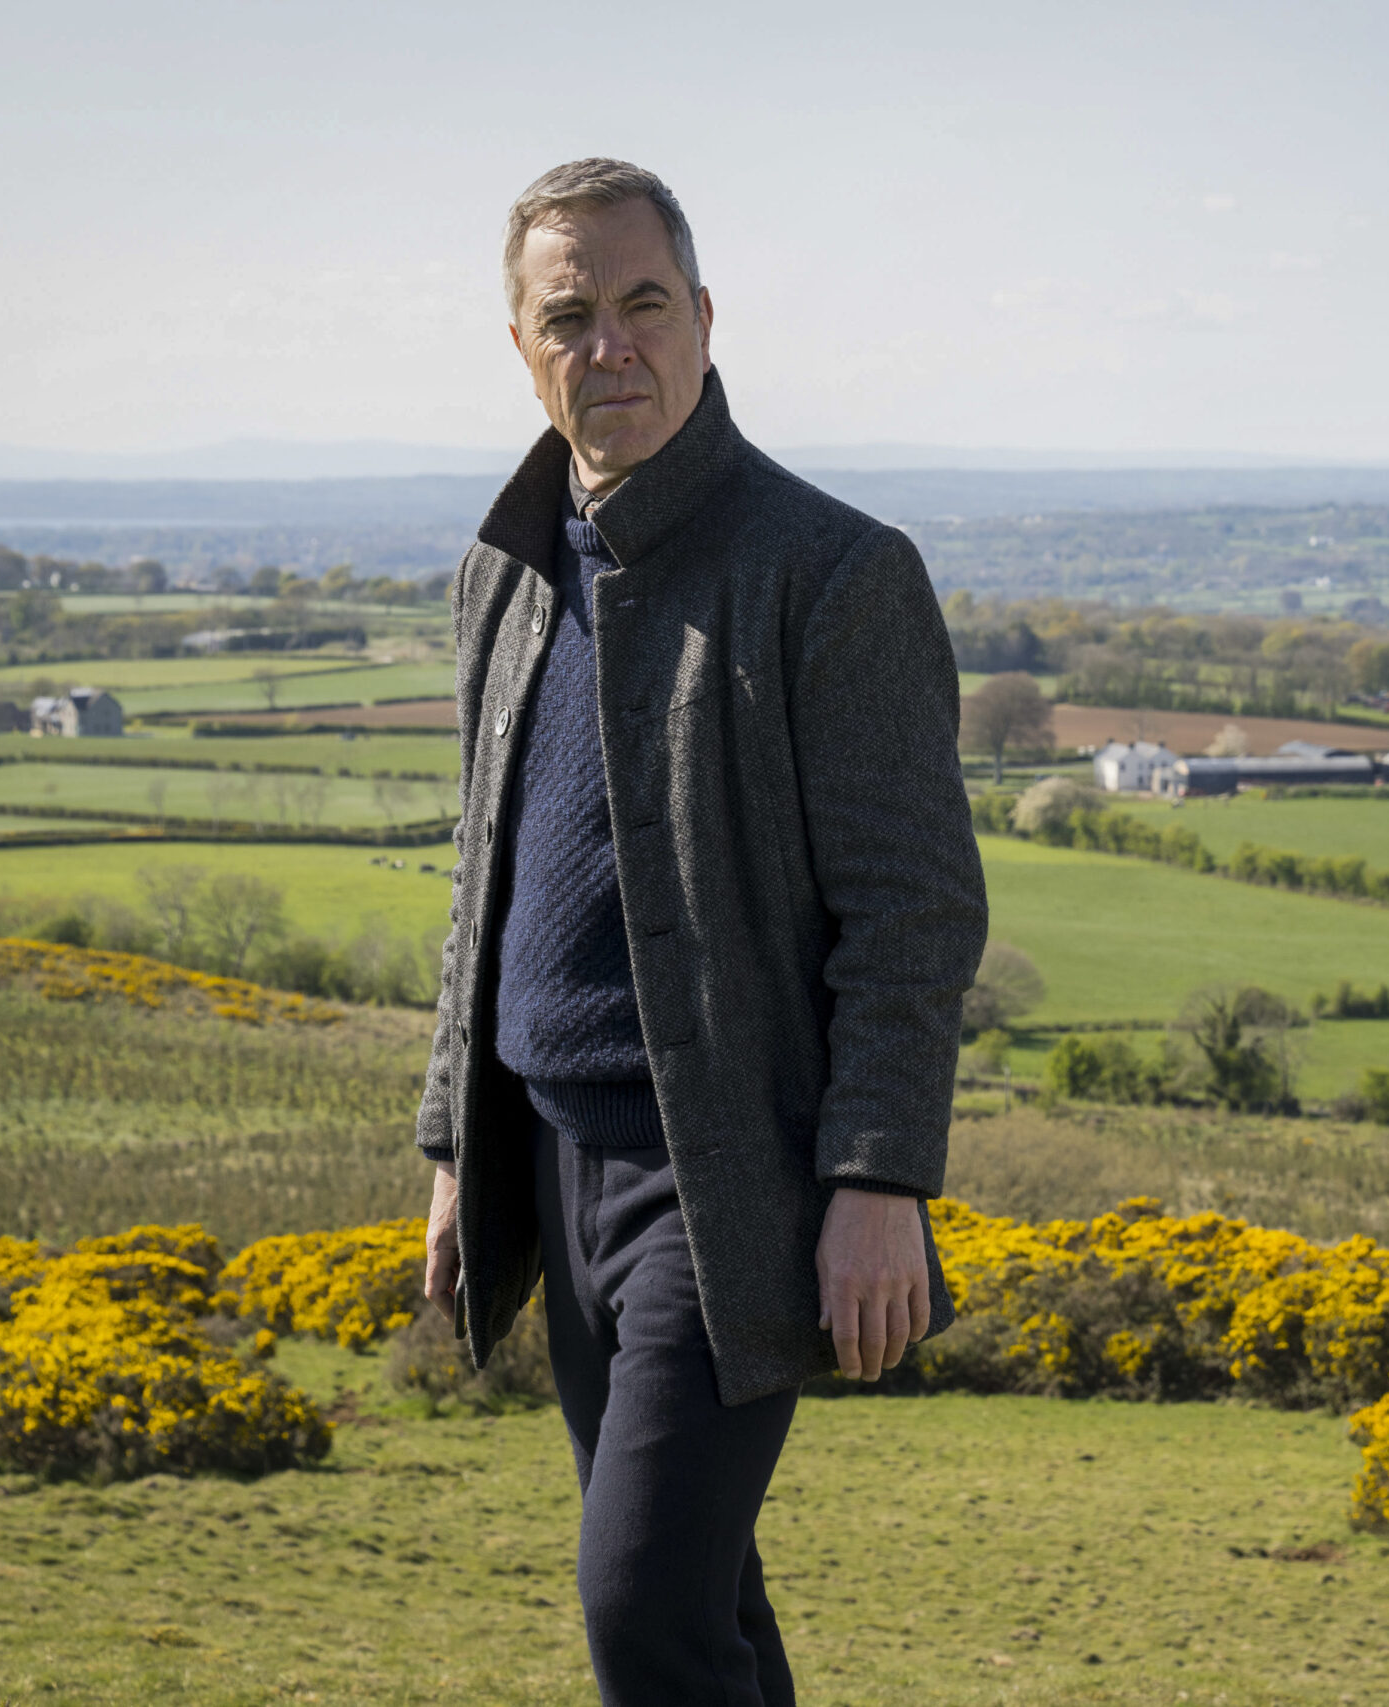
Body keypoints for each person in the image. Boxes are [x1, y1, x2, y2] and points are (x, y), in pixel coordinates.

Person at [411, 158, 988, 1706]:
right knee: (706, 1612)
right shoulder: (506, 576)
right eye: (572, 314)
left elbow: (915, 909)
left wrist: (880, 1178)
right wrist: (459, 1148)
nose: (613, 346)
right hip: (551, 1155)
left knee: (643, 1609)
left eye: (644, 304)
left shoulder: (835, 574)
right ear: (521, 346)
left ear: (706, 318)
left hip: (727, 1179)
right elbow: (487, 876)